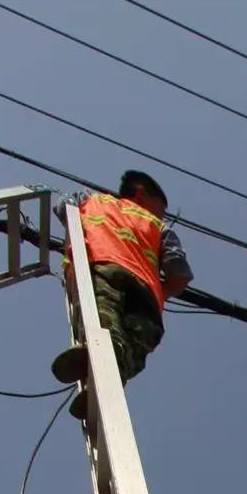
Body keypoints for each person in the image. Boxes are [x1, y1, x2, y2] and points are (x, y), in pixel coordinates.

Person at [51, 170, 193, 420]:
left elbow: (63, 207)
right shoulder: (159, 227)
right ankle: (112, 374)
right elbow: (178, 272)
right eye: (159, 209)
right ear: (141, 193)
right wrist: (162, 293)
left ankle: (100, 366)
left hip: (99, 268)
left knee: (101, 321)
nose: (160, 215)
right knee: (137, 339)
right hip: (146, 291)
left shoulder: (92, 200)